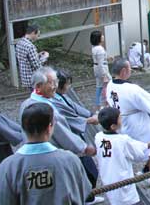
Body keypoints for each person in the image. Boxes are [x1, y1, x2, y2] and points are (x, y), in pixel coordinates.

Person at [0, 102, 91, 205]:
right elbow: (83, 192)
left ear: (23, 127)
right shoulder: (70, 159)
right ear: (49, 127)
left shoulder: (8, 166)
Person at [19, 68, 96, 157]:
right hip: (50, 153)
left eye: (56, 82)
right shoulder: (46, 108)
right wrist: (83, 147)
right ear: (39, 86)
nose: (55, 86)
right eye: (51, 83)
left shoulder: (26, 103)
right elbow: (62, 133)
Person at [51, 70, 101, 202]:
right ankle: (85, 198)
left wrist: (91, 114)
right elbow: (69, 119)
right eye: (67, 84)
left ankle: (88, 197)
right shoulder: (53, 101)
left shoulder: (61, 96)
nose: (69, 87)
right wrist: (89, 120)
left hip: (76, 135)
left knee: (88, 170)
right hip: (69, 138)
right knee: (86, 171)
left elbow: (76, 109)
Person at [106, 57, 150, 144]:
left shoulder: (110, 85)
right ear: (123, 71)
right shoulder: (131, 89)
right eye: (129, 68)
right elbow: (149, 101)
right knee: (148, 145)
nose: (131, 70)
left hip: (121, 123)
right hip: (136, 124)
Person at [95, 106, 150, 205]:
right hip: (122, 181)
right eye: (119, 118)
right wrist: (146, 146)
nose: (122, 119)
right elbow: (137, 154)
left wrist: (145, 145)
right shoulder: (122, 140)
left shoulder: (98, 137)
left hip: (108, 180)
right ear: (113, 126)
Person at [15, 24, 48, 88]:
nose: (37, 37)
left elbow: (25, 59)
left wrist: (37, 55)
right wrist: (45, 57)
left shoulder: (19, 43)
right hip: (33, 78)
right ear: (33, 33)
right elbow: (37, 66)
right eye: (37, 35)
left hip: (24, 77)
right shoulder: (30, 46)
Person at [90, 30, 111, 110]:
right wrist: (104, 75)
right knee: (108, 85)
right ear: (98, 38)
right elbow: (101, 63)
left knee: (99, 87)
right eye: (101, 35)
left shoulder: (94, 47)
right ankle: (107, 102)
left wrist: (107, 58)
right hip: (102, 69)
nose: (103, 36)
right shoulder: (100, 49)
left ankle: (98, 105)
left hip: (96, 68)